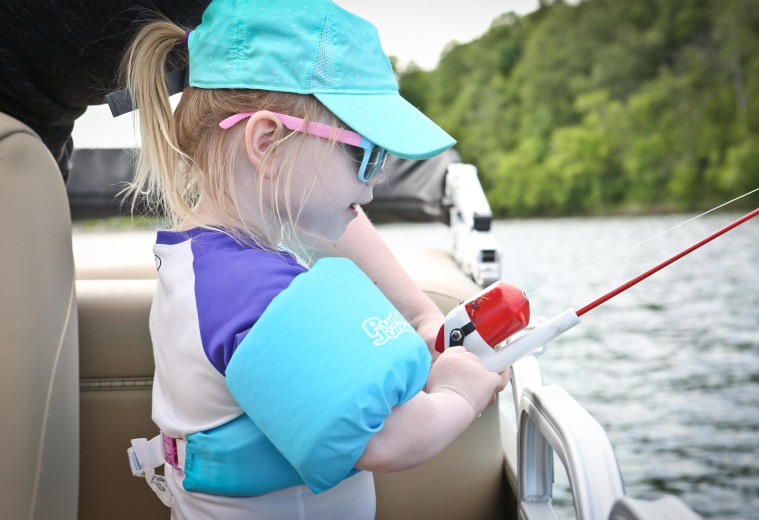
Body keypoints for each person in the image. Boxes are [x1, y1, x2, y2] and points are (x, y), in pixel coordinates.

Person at [120, 1, 510, 519]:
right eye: (367, 155)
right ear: (268, 143)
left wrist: (421, 317)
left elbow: (336, 220)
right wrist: (461, 392)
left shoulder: (202, 263)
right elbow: (386, 441)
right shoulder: (256, 294)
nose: (371, 190)